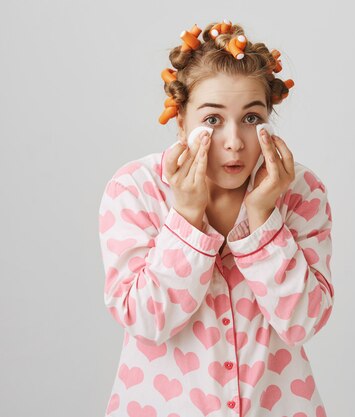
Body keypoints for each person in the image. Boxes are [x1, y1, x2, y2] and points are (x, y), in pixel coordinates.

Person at [97, 19, 334, 417]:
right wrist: (186, 217)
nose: (233, 141)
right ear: (180, 121)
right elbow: (144, 319)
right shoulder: (135, 189)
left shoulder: (300, 191)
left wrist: (262, 219)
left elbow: (302, 322)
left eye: (252, 118)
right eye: (212, 119)